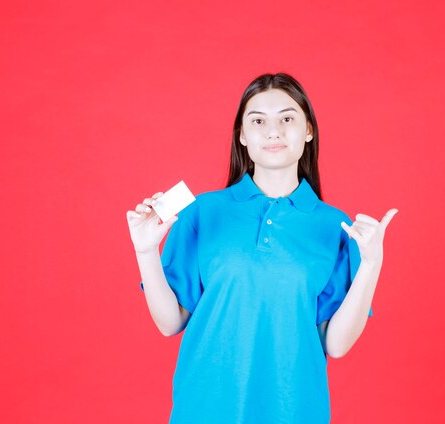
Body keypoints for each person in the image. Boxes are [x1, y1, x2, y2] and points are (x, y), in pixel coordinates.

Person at [126, 72, 398, 423]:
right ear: (242, 134)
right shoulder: (201, 212)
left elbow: (336, 344)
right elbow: (169, 323)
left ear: (309, 131)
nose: (274, 131)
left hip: (295, 410)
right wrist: (145, 251)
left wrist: (371, 263)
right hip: (205, 409)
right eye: (258, 121)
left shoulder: (336, 226)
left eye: (287, 118)